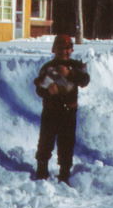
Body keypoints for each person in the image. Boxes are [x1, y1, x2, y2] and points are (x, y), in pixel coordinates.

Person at [34, 34, 89, 184]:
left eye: (66, 48)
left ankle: (64, 172)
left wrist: (69, 73)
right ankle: (41, 169)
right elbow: (39, 89)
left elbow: (85, 80)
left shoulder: (76, 66)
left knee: (66, 143)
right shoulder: (47, 68)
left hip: (69, 112)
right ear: (54, 49)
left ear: (71, 50)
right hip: (50, 111)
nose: (63, 52)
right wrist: (47, 90)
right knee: (46, 141)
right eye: (59, 48)